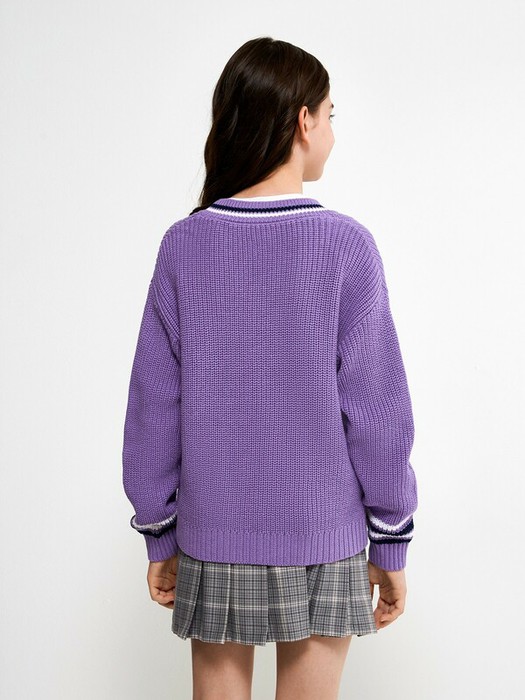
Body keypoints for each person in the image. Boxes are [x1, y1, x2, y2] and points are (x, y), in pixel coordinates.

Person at [122, 36, 418, 700]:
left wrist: (159, 532)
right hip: (323, 534)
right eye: (331, 114)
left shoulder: (184, 245)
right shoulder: (345, 246)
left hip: (213, 534)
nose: (332, 131)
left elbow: (153, 405)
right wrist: (390, 540)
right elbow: (377, 409)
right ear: (303, 120)